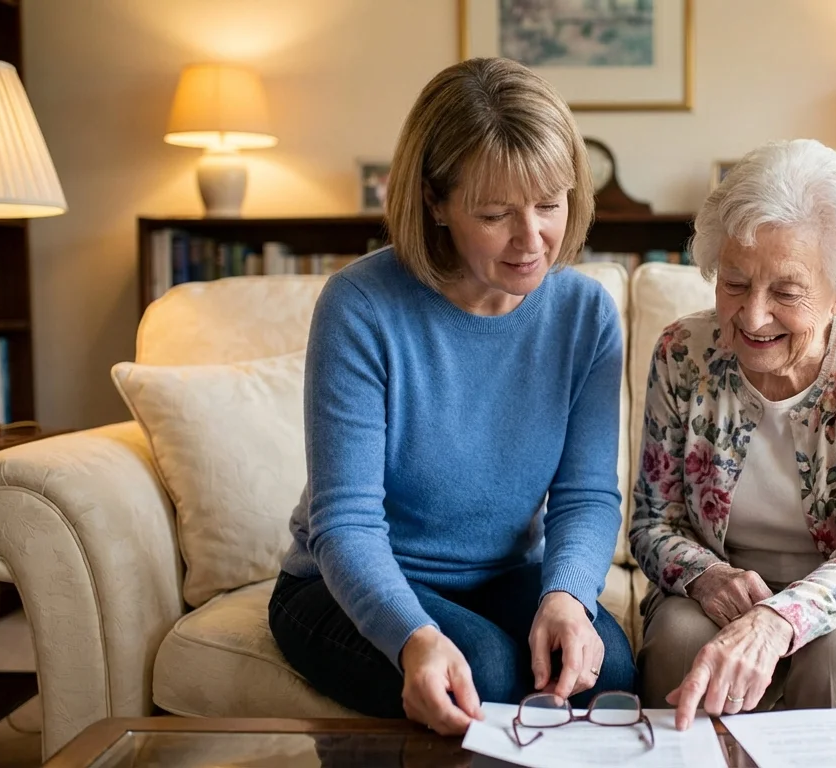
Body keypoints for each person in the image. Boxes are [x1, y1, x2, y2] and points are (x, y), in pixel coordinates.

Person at [269, 57, 636, 737]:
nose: (533, 242)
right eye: (495, 214)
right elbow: (344, 521)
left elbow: (587, 495)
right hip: (339, 585)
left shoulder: (584, 312)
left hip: (500, 575)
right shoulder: (362, 306)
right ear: (435, 202)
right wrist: (411, 636)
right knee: (486, 674)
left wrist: (567, 596)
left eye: (550, 204)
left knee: (607, 666)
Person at [630, 138, 836, 730]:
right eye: (734, 284)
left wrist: (778, 620)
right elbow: (652, 522)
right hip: (726, 577)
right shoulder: (683, 353)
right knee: (679, 651)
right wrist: (706, 577)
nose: (754, 315)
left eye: (786, 293)